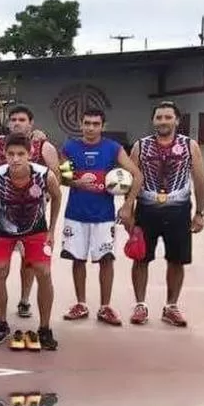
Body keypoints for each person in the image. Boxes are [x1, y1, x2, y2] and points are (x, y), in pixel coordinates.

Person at [128, 101, 204, 327]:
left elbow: (200, 179)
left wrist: (200, 212)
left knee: (176, 260)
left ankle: (171, 306)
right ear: (153, 120)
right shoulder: (140, 146)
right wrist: (129, 211)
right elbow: (131, 181)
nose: (163, 121)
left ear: (177, 120)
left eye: (167, 117)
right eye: (159, 117)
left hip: (179, 210)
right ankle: (140, 305)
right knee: (140, 258)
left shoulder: (189, 146)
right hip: (147, 209)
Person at [60, 109, 141, 325]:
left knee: (106, 260)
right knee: (77, 259)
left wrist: (127, 206)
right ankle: (81, 304)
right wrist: (76, 183)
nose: (90, 128)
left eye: (95, 124)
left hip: (104, 216)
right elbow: (63, 177)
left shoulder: (113, 148)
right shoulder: (69, 148)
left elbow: (137, 175)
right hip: (76, 215)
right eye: (87, 123)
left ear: (103, 126)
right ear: (80, 124)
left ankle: (105, 307)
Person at [0, 132, 62, 350]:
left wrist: (52, 230)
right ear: (4, 155)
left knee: (44, 274)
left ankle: (45, 328)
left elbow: (57, 198)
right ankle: (1, 324)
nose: (16, 159)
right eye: (11, 154)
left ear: (30, 154)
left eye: (21, 154)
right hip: (3, 229)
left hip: (35, 229)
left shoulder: (45, 175)